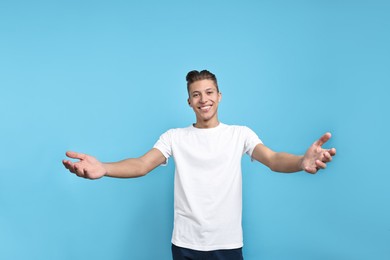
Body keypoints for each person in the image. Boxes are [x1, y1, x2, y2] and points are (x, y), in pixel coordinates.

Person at [62, 70, 336, 260]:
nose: (203, 99)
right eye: (196, 94)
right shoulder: (174, 137)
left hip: (227, 244)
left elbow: (274, 159)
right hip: (186, 244)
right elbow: (143, 164)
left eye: (208, 92)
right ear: (189, 101)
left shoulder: (240, 134)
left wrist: (301, 161)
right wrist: (105, 168)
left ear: (219, 96)